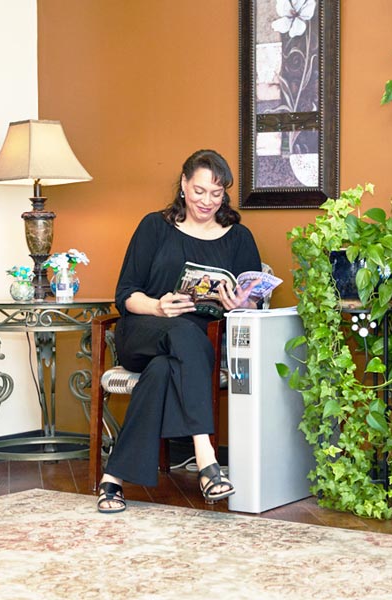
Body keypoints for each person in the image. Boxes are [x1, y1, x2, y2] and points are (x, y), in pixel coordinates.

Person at [97, 149, 263, 513]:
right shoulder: (154, 227)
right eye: (199, 190)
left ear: (225, 195)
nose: (206, 201)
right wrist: (158, 306)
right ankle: (207, 459)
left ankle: (113, 480)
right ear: (184, 185)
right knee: (184, 335)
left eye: (216, 194)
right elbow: (125, 295)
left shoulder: (238, 238)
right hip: (143, 330)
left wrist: (241, 304)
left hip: (193, 349)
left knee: (162, 370)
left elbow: (255, 298)